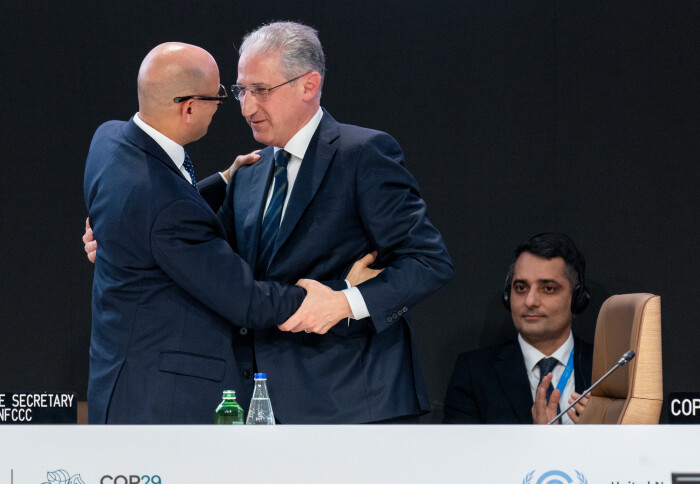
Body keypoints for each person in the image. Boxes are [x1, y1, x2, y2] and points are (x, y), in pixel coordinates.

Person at [83, 42, 359, 424]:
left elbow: (150, 213)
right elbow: (246, 300)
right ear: (189, 107)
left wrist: (222, 181)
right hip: (162, 405)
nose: (241, 107)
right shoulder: (164, 207)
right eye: (222, 97)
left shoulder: (109, 141)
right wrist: (337, 298)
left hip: (117, 381)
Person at [209, 21, 454, 423]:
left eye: (261, 90)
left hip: (353, 403)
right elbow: (210, 255)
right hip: (262, 406)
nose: (247, 107)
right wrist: (122, 233)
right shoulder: (249, 174)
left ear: (308, 85)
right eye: (242, 90)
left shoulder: (364, 154)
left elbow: (430, 262)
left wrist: (344, 303)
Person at [443, 233, 593, 424]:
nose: (530, 301)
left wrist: (594, 437)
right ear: (508, 295)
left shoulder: (610, 371)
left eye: (548, 288)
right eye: (521, 288)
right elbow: (460, 451)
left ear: (577, 297)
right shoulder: (474, 373)